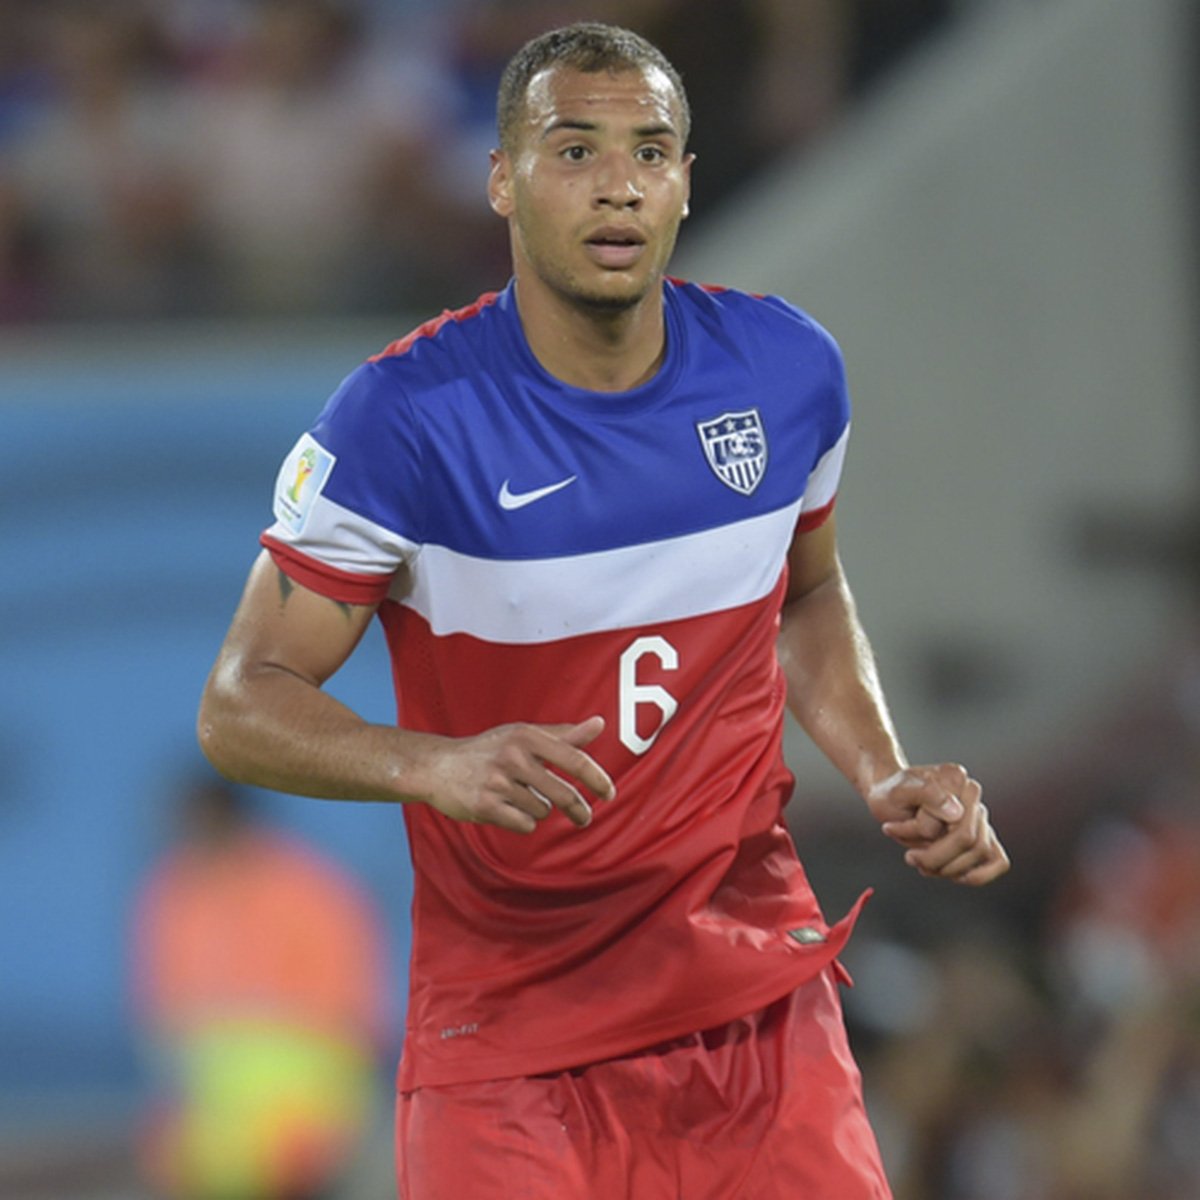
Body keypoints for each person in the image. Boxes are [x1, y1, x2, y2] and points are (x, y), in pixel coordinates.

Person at [198, 21, 1009, 1199]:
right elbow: (239, 705)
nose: (618, 183)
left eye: (650, 150)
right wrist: (434, 764)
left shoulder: (786, 374)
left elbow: (808, 595)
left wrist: (882, 772)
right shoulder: (403, 422)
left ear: (684, 181)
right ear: (500, 180)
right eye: (573, 150)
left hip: (754, 1012)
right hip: (513, 1039)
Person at [131, 776, 389, 1200]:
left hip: (305, 1103)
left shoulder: (311, 887)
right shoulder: (170, 892)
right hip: (211, 1102)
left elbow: (351, 1021)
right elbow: (162, 1019)